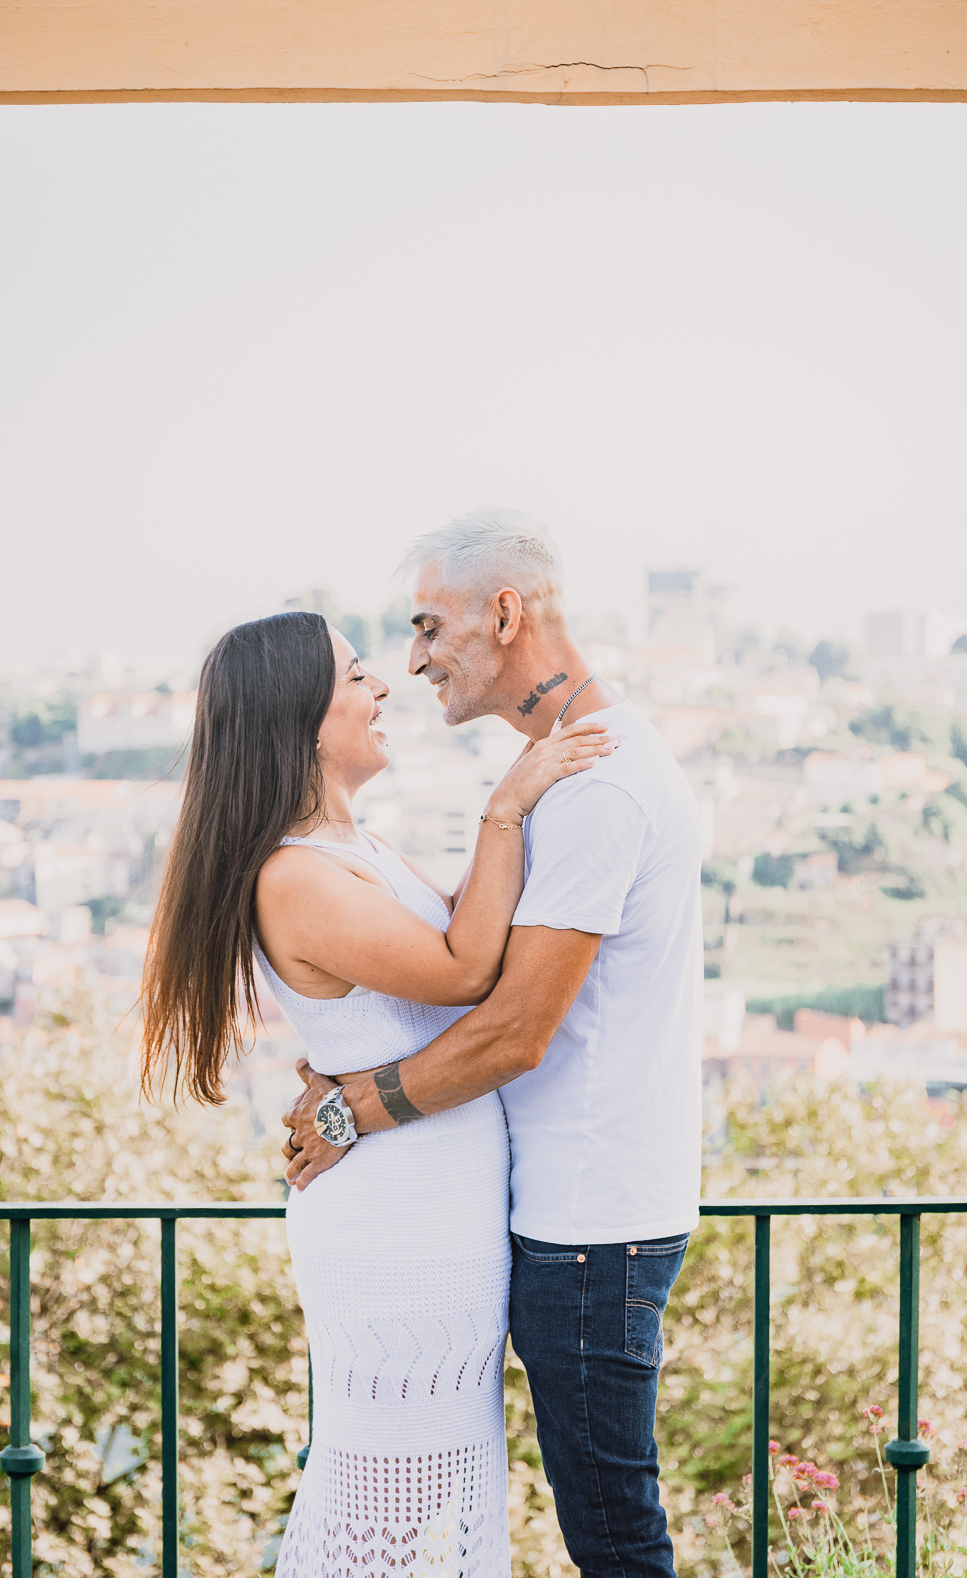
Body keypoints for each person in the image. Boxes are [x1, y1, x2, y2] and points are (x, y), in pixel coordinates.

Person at [139, 607, 617, 1578]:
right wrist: (505, 808)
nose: (383, 685)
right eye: (356, 676)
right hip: (397, 1229)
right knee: (392, 1504)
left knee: (432, 1500)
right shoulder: (294, 875)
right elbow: (465, 968)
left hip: (436, 1212)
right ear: (303, 721)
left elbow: (455, 951)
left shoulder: (354, 848)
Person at [285, 510, 704, 1578]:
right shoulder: (568, 772)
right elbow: (451, 958)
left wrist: (349, 1107)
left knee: (613, 1536)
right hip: (569, 1217)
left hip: (589, 1225)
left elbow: (514, 1030)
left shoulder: (596, 785)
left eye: (430, 627)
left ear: (506, 614)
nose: (415, 660)